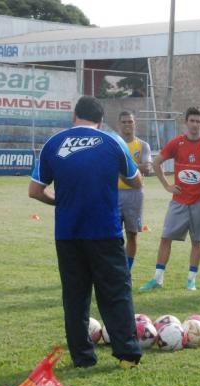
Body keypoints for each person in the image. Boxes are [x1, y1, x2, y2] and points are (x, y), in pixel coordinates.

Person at [29, 96, 142, 369]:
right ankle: (126, 355)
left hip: (68, 233)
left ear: (74, 117)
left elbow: (35, 191)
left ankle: (83, 358)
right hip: (104, 230)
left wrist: (61, 199)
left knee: (75, 296)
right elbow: (136, 181)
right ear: (101, 120)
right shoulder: (113, 141)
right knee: (115, 292)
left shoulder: (53, 144)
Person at [139, 107, 200, 292]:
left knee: (197, 241)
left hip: (199, 202)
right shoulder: (177, 143)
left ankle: (191, 281)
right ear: (186, 123)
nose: (195, 124)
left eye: (198, 121)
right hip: (178, 201)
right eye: (192, 121)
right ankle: (157, 279)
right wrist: (167, 185)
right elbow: (156, 163)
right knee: (165, 238)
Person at [117, 111, 152, 271]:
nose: (127, 125)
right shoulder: (114, 143)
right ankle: (115, 267)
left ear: (134, 123)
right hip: (113, 194)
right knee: (112, 235)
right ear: (119, 124)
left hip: (134, 194)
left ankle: (127, 270)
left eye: (130, 122)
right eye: (124, 122)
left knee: (132, 234)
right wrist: (134, 165)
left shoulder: (142, 145)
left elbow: (147, 167)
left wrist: (122, 164)